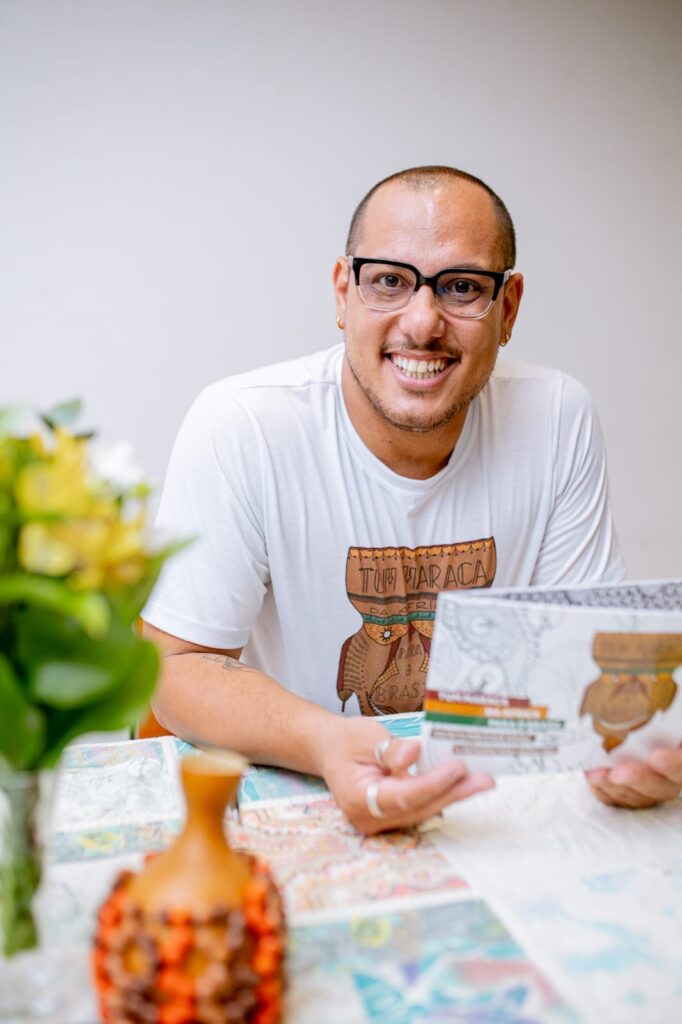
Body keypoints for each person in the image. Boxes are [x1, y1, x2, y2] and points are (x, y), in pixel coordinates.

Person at [142, 166, 682, 832]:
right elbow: (175, 671)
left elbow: (581, 670)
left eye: (461, 287)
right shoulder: (242, 424)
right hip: (297, 791)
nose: (422, 322)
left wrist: (628, 757)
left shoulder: (558, 415)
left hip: (497, 810)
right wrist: (328, 744)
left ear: (507, 309)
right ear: (344, 293)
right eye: (390, 281)